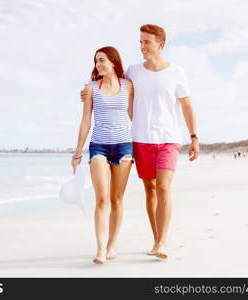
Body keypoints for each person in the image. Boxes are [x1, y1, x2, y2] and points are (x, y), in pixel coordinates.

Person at [81, 24, 199, 259]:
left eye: (146, 42)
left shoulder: (176, 72)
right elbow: (110, 83)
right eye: (140, 42)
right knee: (150, 190)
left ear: (160, 44)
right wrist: (87, 94)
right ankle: (156, 240)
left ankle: (163, 242)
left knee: (164, 187)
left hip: (168, 138)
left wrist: (194, 136)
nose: (142, 46)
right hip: (140, 139)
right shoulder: (133, 72)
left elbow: (186, 105)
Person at [72, 46, 134, 264]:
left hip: (124, 146)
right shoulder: (90, 88)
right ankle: (99, 249)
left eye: (102, 60)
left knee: (117, 199)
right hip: (99, 146)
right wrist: (78, 153)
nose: (98, 65)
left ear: (113, 62)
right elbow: (86, 120)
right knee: (102, 199)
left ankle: (111, 245)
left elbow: (135, 115)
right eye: (96, 61)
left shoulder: (128, 86)